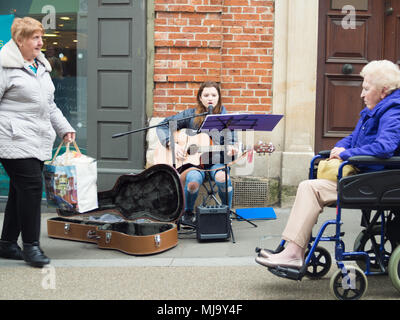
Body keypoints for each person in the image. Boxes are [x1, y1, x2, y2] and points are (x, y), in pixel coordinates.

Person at [256, 60, 400, 269]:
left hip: (375, 181)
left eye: (366, 89)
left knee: (310, 188)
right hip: (364, 177)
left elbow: (385, 147)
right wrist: (338, 150)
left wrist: (347, 154)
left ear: (384, 90)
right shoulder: (378, 108)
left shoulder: (393, 111)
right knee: (310, 187)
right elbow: (354, 138)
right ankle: (292, 249)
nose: (361, 94)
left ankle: (293, 252)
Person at [0, 17, 76, 267]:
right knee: (32, 187)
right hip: (12, 138)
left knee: (19, 190)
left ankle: (7, 243)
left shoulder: (40, 66)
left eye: (41, 37)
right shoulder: (4, 66)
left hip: (37, 138)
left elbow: (49, 104)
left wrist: (65, 128)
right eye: (35, 38)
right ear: (19, 40)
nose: (41, 43)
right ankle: (32, 246)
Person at [156, 81, 238, 226]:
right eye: (206, 95)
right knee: (192, 182)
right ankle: (188, 214)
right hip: (193, 165)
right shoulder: (190, 115)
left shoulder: (227, 120)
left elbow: (232, 146)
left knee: (222, 178)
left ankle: (226, 213)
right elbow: (162, 125)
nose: (210, 98)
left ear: (219, 97)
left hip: (216, 162)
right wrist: (172, 144)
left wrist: (232, 149)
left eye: (213, 94)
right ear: (200, 97)